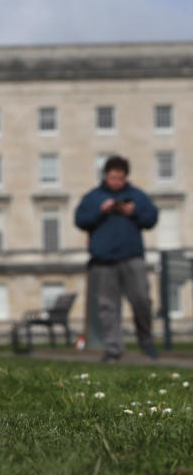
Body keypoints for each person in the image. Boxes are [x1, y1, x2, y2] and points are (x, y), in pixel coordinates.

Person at [75, 155, 159, 362]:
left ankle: (146, 341)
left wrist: (134, 211)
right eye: (113, 177)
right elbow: (80, 220)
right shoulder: (93, 197)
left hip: (132, 257)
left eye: (120, 178)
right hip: (103, 260)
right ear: (106, 176)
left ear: (126, 177)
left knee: (142, 300)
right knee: (107, 306)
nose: (116, 182)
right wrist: (100, 210)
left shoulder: (136, 195)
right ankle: (113, 348)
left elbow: (152, 218)